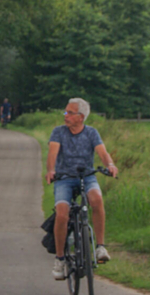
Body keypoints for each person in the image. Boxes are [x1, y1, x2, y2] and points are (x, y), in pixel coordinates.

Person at [46, 98, 118, 279]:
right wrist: (51, 170)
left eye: (70, 113)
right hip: (64, 178)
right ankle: (60, 259)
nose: (66, 116)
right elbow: (53, 153)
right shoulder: (59, 132)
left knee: (97, 200)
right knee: (62, 214)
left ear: (81, 117)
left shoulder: (91, 133)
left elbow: (102, 152)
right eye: (66, 112)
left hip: (87, 176)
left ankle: (100, 247)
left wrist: (110, 164)